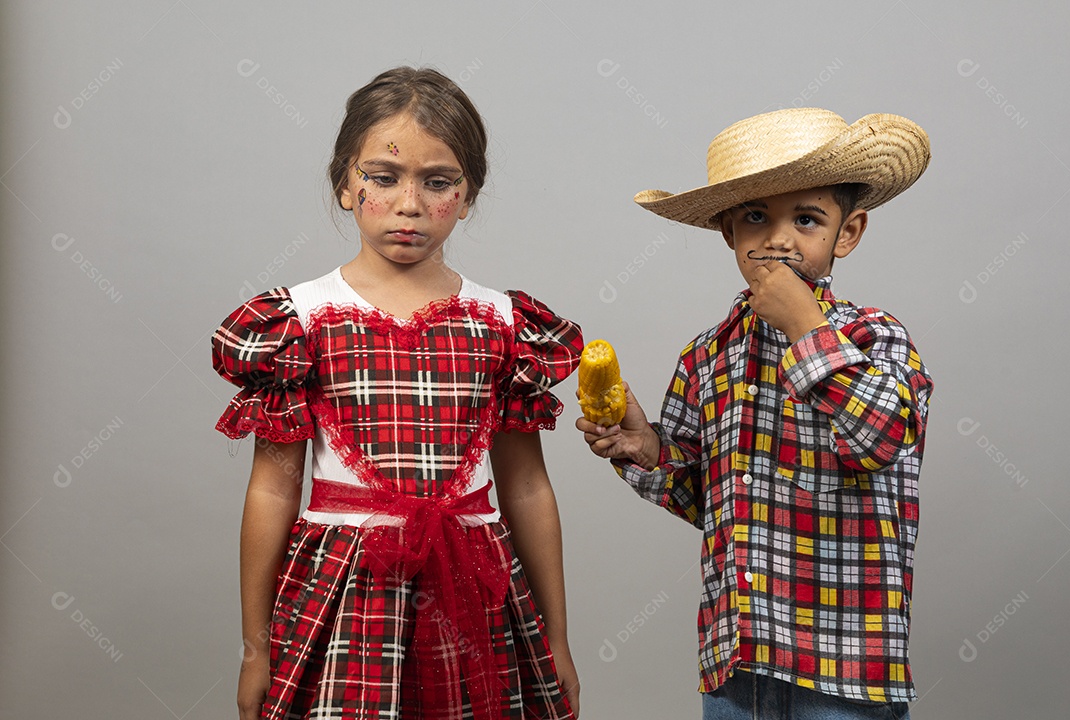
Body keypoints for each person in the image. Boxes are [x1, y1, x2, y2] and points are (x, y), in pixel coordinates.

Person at [213, 66, 581, 720]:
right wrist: (254, 648)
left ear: (468, 196)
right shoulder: (297, 320)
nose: (410, 204)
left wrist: (555, 637)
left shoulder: (502, 324)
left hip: (471, 589)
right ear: (346, 186)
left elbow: (525, 486)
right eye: (383, 178)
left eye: (438, 183)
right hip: (345, 589)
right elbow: (273, 486)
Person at [578, 108, 933, 719]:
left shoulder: (877, 338)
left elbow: (880, 439)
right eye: (755, 217)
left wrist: (804, 326)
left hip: (845, 660)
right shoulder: (706, 356)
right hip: (739, 661)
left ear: (847, 233)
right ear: (727, 232)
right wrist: (649, 450)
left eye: (807, 218)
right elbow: (705, 499)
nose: (778, 238)